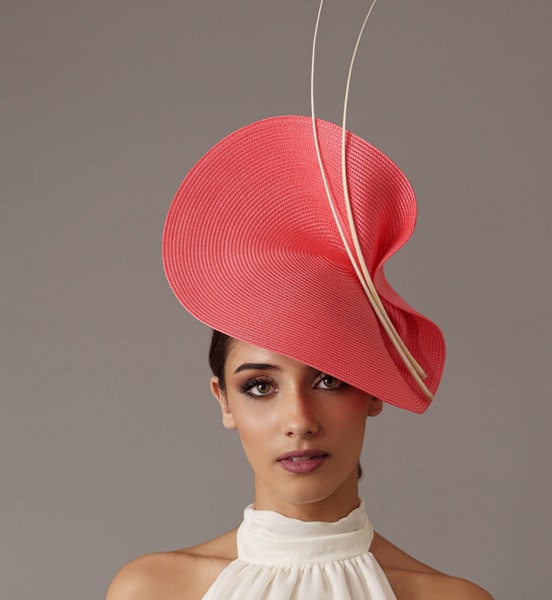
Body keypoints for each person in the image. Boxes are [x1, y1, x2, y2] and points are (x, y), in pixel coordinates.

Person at [107, 4, 493, 597]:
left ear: (373, 391)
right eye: (259, 385)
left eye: (331, 379)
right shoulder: (152, 589)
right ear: (224, 400)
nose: (299, 421)